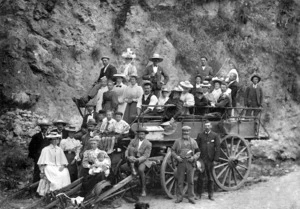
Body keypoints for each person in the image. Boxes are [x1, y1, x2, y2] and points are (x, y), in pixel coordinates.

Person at [171, 126, 200, 204]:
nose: (185, 133)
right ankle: (179, 198)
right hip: (181, 162)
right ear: (182, 132)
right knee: (180, 181)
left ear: (189, 132)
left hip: (190, 162)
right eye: (184, 131)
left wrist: (193, 158)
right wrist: (177, 157)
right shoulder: (177, 141)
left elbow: (198, 152)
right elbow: (172, 151)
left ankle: (191, 198)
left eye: (187, 131)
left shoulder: (194, 142)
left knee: (190, 181)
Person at [37, 132, 71, 196]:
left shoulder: (59, 149)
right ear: (50, 140)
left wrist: (63, 166)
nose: (55, 141)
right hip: (49, 166)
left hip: (58, 166)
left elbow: (64, 160)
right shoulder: (45, 149)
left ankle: (63, 191)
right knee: (54, 174)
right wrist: (42, 171)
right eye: (53, 139)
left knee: (65, 172)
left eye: (57, 139)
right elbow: (41, 162)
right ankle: (53, 191)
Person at [122, 127, 152, 197]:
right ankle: (132, 169)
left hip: (142, 160)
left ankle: (143, 189)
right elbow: (127, 150)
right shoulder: (133, 141)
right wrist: (128, 157)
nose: (141, 136)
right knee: (131, 149)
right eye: (139, 134)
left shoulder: (148, 144)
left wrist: (138, 160)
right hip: (132, 158)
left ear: (145, 135)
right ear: (137, 135)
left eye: (142, 134)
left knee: (141, 170)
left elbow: (146, 156)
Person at [196, 121, 220, 200]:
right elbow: (197, 147)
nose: (207, 127)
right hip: (202, 159)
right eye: (205, 126)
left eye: (208, 126)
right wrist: (198, 158)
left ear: (211, 127)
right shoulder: (200, 135)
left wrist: (215, 159)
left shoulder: (215, 135)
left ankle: (211, 195)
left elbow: (217, 148)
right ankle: (199, 194)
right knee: (200, 177)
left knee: (210, 178)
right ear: (204, 127)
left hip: (210, 160)